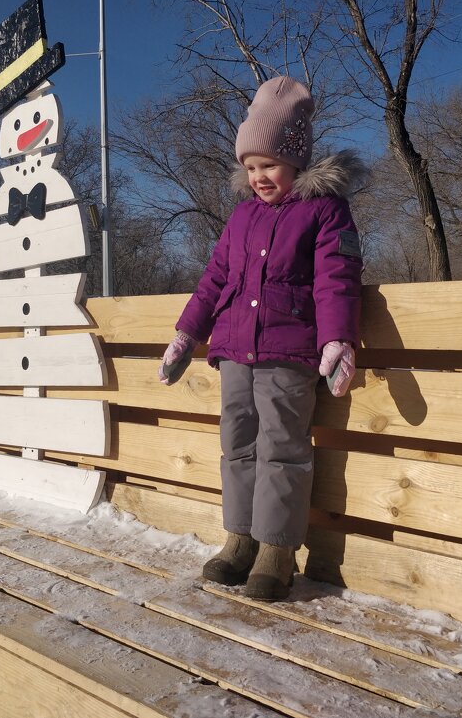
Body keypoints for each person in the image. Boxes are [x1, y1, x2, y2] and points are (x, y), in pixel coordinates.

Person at [158, 76, 365, 601]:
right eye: (250, 168)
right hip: (233, 348)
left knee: (282, 448)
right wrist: (187, 332)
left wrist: (338, 338)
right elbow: (215, 279)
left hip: (288, 351)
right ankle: (239, 540)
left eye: (269, 165)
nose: (258, 178)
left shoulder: (323, 210)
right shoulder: (242, 216)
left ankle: (277, 549)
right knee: (237, 445)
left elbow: (336, 277)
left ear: (296, 160)